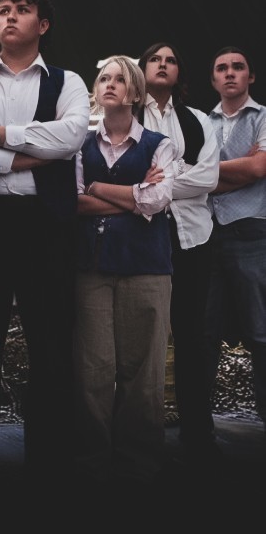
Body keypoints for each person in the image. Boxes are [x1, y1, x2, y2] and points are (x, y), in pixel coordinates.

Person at [0, 0, 89, 493]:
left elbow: (73, 136)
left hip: (47, 223)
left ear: (43, 24)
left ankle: (50, 462)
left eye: (22, 10)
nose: (10, 17)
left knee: (52, 343)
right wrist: (32, 148)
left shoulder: (68, 80)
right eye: (3, 10)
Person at [73, 55, 175, 490]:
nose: (110, 84)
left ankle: (138, 468)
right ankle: (92, 466)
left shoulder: (160, 143)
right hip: (91, 267)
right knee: (92, 370)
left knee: (143, 372)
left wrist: (99, 187)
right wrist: (132, 194)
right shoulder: (78, 143)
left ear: (135, 92)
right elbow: (73, 201)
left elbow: (157, 203)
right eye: (103, 78)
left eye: (120, 79)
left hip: (146, 268)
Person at [137, 42, 220, 467]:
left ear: (178, 71)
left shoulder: (200, 120)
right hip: (141, 235)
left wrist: (156, 183)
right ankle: (135, 432)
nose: (163, 65)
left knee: (191, 335)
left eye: (170, 60)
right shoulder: (127, 116)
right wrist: (171, 178)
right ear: (143, 68)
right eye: (156, 59)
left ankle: (197, 429)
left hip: (193, 238)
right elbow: (122, 173)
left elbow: (208, 176)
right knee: (138, 338)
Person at [205, 46, 266, 432]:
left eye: (238, 68)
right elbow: (183, 176)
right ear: (213, 79)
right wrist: (237, 168)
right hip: (208, 236)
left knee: (261, 333)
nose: (230, 73)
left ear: (250, 77)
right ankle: (200, 429)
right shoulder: (200, 122)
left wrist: (207, 172)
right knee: (205, 332)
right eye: (222, 69)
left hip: (252, 234)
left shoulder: (264, 118)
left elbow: (259, 167)